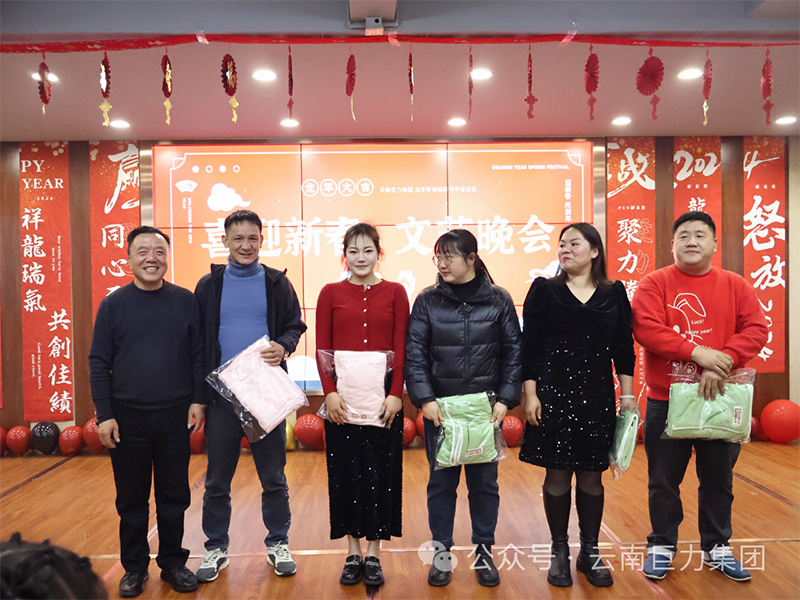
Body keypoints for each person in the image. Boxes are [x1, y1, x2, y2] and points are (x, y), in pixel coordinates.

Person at [631, 211, 768, 582]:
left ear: (714, 243)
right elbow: (646, 328)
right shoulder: (654, 283)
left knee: (718, 480)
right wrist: (697, 353)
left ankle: (717, 547)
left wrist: (721, 362)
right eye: (684, 235)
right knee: (663, 481)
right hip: (666, 400)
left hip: (720, 396)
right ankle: (661, 545)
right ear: (672, 244)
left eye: (700, 235)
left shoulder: (736, 284)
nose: (691, 241)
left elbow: (756, 329)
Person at [518, 223, 636, 588]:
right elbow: (530, 346)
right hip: (552, 394)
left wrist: (627, 396)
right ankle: (559, 551)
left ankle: (590, 550)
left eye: (574, 243)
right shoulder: (545, 290)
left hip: (596, 397)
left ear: (595, 251)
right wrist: (531, 394)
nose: (565, 249)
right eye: (562, 244)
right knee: (556, 474)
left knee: (591, 476)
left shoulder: (614, 293)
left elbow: (623, 348)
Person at [89, 225, 204, 597]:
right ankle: (134, 568)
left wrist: (198, 400)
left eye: (159, 251)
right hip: (127, 419)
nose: (151, 258)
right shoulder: (113, 305)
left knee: (175, 496)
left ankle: (173, 563)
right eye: (142, 251)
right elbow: (98, 362)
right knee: (131, 499)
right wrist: (105, 414)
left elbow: (198, 356)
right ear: (129, 259)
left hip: (175, 417)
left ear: (167, 258)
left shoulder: (185, 301)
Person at [194, 209, 307, 583]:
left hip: (265, 394)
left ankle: (278, 543)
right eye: (238, 238)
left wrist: (283, 345)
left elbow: (294, 325)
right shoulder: (208, 286)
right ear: (225, 240)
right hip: (221, 397)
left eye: (253, 238)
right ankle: (215, 548)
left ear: (262, 240)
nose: (246, 245)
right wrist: (198, 397)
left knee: (273, 477)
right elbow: (198, 342)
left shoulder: (277, 283)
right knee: (216, 482)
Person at [405, 229, 522, 588]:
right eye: (438, 256)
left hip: (485, 411)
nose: (441, 263)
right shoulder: (427, 300)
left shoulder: (499, 300)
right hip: (442, 411)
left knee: (484, 485)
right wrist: (424, 399)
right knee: (441, 485)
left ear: (471, 258)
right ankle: (441, 555)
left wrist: (505, 399)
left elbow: (514, 352)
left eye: (449, 256)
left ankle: (484, 553)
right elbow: (415, 353)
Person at [315, 223, 409, 588]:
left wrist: (396, 394)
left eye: (368, 250)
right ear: (344, 256)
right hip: (342, 399)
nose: (360, 258)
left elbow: (400, 347)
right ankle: (352, 551)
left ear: (378, 254)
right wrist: (329, 393)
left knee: (380, 475)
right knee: (346, 473)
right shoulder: (330, 293)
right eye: (353, 251)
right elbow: (323, 348)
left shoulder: (396, 292)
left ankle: (374, 552)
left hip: (384, 399)